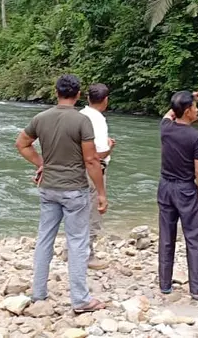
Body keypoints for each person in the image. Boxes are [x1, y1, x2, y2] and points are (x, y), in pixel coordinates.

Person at [15, 74, 108, 313]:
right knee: (77, 242)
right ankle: (80, 300)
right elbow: (90, 159)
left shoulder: (40, 118)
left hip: (48, 188)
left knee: (45, 238)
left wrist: (41, 164)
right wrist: (101, 192)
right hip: (74, 189)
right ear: (78, 95)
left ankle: (38, 293)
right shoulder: (81, 121)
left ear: (56, 92)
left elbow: (22, 144)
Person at [157, 89, 198, 301]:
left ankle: (165, 284)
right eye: (195, 107)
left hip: (165, 186)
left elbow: (169, 114)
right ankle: (196, 288)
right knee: (194, 238)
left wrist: (187, 97)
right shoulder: (195, 136)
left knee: (166, 236)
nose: (197, 110)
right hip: (185, 189)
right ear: (188, 111)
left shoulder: (165, 128)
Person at [80, 83, 115, 271]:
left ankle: (71, 250)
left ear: (87, 98)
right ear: (106, 100)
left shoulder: (80, 115)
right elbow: (98, 154)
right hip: (93, 170)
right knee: (93, 210)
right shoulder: (98, 120)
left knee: (78, 210)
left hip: (76, 168)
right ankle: (87, 255)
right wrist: (110, 147)